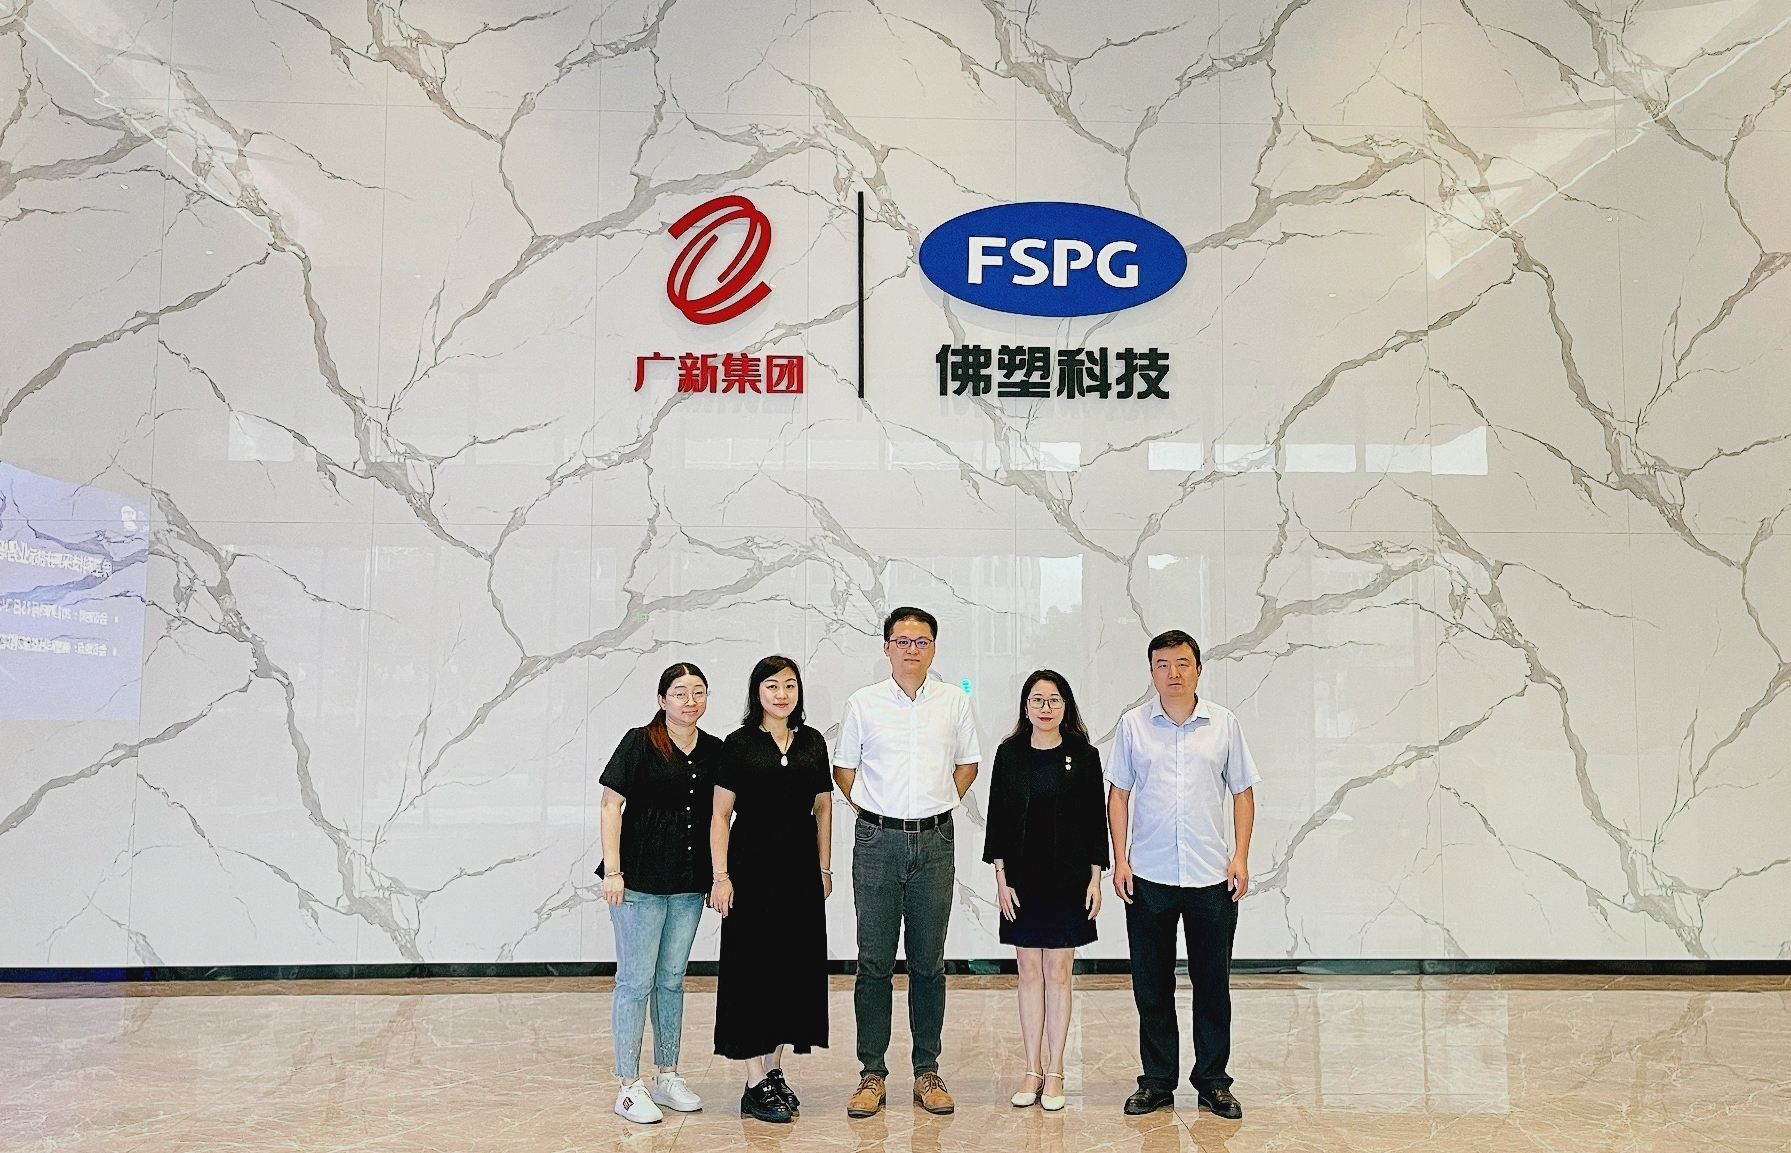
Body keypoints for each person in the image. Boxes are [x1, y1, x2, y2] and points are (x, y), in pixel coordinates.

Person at [832, 606, 980, 1118]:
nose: (912, 649)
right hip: (878, 842)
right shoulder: (864, 703)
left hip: (935, 842)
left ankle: (927, 1071)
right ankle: (871, 1073)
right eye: (902, 641)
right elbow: (844, 769)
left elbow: (968, 764)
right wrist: (877, 811)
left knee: (928, 962)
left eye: (921, 641)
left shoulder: (953, 701)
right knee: (873, 961)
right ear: (886, 647)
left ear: (933, 648)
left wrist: (937, 804)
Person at [1107, 630, 1258, 1120]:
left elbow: (1242, 792)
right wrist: (1121, 859)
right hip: (1148, 875)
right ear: (1151, 671)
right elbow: (1118, 795)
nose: (1173, 673)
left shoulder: (1224, 724)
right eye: (1162, 664)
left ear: (1198, 669)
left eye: (1182, 663)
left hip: (1211, 875)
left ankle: (1213, 1081)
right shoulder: (1133, 725)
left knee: (1212, 985)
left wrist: (1240, 857)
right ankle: (1156, 1082)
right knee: (1151, 986)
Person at [709, 655, 834, 1124]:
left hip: (799, 871)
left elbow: (823, 807)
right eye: (772, 686)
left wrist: (824, 867)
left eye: (790, 685)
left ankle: (773, 1069)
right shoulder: (738, 744)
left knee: (791, 970)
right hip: (750, 871)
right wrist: (721, 877)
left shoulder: (812, 741)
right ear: (756, 692)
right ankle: (752, 1081)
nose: (782, 694)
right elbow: (720, 815)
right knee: (751, 972)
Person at [598, 662, 722, 1125]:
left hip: (688, 883)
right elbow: (610, 805)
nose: (690, 701)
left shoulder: (715, 750)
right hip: (638, 882)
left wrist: (719, 875)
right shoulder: (640, 742)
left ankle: (667, 1074)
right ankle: (628, 1085)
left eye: (698, 692)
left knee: (671, 979)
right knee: (635, 981)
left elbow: (720, 815)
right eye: (680, 692)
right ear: (661, 699)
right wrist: (614, 871)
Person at [983, 669, 1109, 1112]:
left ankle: (1055, 1069)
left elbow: (1095, 821)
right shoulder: (1009, 754)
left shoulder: (1084, 755)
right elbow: (997, 816)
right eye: (1037, 700)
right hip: (1022, 879)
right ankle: (1031, 1069)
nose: (1045, 708)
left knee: (1058, 972)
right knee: (1028, 972)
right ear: (1025, 706)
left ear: (1065, 706)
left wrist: (1096, 878)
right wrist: (1001, 877)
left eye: (1054, 700)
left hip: (1069, 879)